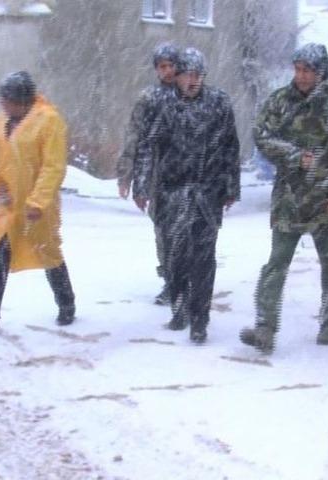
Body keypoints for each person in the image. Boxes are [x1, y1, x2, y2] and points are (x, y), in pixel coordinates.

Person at [239, 43, 328, 353]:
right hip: (290, 197)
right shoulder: (281, 100)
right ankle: (265, 327)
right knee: (276, 264)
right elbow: (261, 135)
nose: (301, 76)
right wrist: (292, 155)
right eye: (298, 69)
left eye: (308, 71)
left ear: (321, 72)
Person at [133, 48, 240, 344]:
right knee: (176, 256)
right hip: (172, 191)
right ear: (177, 77)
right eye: (186, 76)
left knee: (204, 259)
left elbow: (231, 146)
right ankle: (179, 307)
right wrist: (141, 185)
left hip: (208, 192)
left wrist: (231, 186)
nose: (192, 81)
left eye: (197, 76)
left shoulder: (218, 103)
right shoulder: (164, 105)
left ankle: (200, 319)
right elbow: (146, 146)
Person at [0, 71, 76, 334]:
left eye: (7, 99)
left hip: (37, 207)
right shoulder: (2, 120)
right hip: (8, 205)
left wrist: (38, 201)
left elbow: (53, 167)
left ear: (22, 100)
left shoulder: (49, 121)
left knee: (49, 252)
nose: (2, 104)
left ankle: (66, 303)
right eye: (2, 98)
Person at [117, 43, 179, 306]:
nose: (167, 71)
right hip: (158, 176)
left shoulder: (191, 94)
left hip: (187, 174)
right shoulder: (149, 99)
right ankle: (170, 280)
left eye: (170, 65)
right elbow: (136, 139)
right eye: (161, 67)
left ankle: (188, 279)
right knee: (163, 230)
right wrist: (128, 176)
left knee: (187, 230)